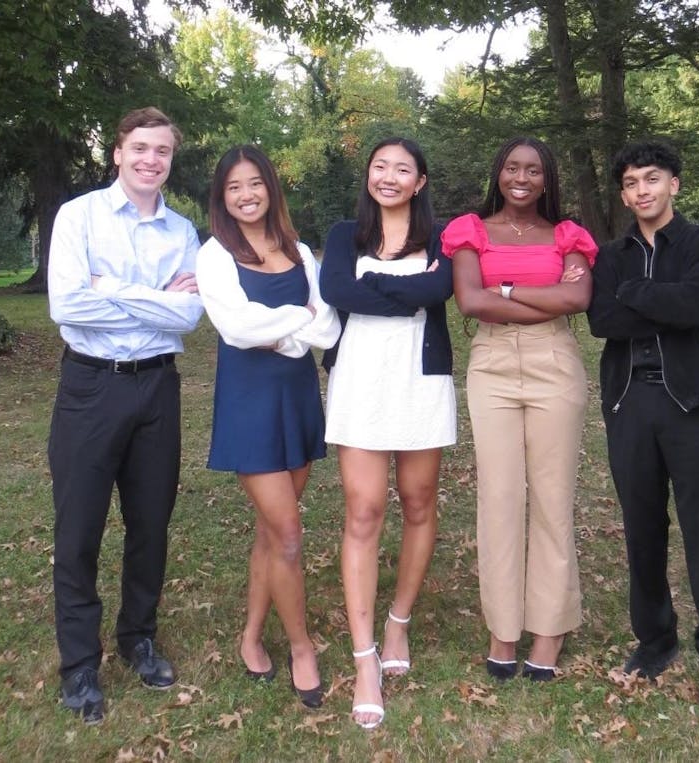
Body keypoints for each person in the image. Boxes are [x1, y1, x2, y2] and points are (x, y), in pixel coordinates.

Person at [47, 107, 204, 724]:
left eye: (162, 151)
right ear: (117, 152)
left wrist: (109, 289)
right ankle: (79, 662)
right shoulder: (78, 216)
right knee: (78, 530)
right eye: (139, 147)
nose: (150, 160)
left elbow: (190, 318)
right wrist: (157, 300)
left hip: (156, 390)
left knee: (151, 526)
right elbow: (67, 305)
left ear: (170, 159)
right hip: (90, 388)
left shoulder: (183, 231)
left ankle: (138, 636)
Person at [586, 140, 699, 706]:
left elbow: (698, 307)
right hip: (631, 403)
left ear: (673, 184)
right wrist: (654, 298)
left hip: (694, 405)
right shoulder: (612, 256)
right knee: (642, 530)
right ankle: (655, 640)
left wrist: (637, 295)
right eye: (631, 183)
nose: (641, 191)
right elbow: (603, 320)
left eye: (651, 179)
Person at [442, 136, 597, 683]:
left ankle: (550, 629)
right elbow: (470, 300)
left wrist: (503, 285)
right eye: (512, 167)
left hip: (555, 360)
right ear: (499, 172)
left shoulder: (568, 234)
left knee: (554, 499)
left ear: (547, 179)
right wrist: (540, 290)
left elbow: (577, 301)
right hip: (492, 364)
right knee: (500, 499)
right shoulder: (470, 230)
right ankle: (504, 629)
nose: (522, 177)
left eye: (534, 170)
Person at [195, 145, 340, 709]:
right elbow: (235, 327)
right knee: (287, 534)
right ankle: (302, 647)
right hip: (249, 403)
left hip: (297, 398)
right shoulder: (215, 255)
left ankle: (251, 636)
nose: (246, 195)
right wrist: (293, 325)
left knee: (269, 533)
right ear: (222, 197)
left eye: (255, 183)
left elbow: (325, 325)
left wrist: (286, 328)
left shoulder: (299, 250)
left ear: (270, 188)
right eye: (234, 187)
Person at [319, 137, 455, 729]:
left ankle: (398, 621)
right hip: (359, 383)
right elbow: (334, 290)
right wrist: (404, 294)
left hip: (421, 382)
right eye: (381, 167)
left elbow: (439, 289)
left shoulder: (444, 238)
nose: (390, 177)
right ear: (368, 175)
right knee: (364, 512)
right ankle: (364, 656)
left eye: (403, 169)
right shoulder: (342, 234)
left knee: (419, 503)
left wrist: (378, 290)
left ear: (420, 181)